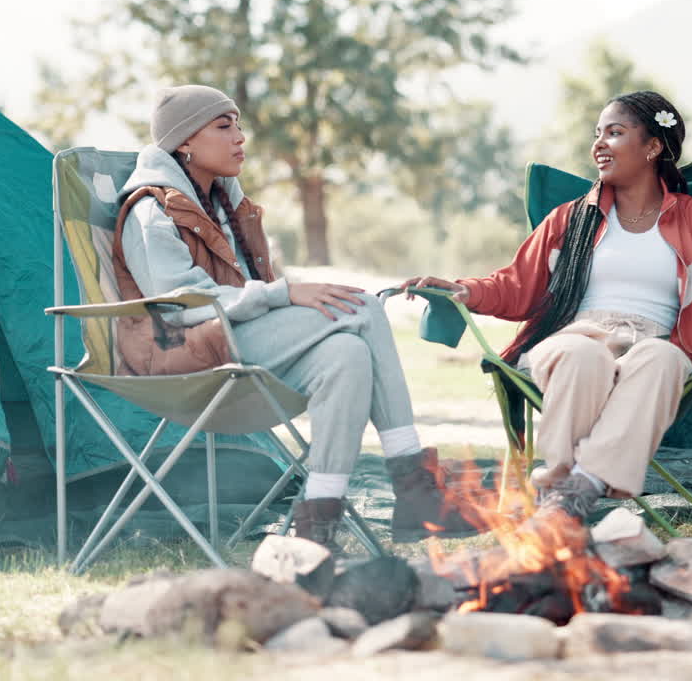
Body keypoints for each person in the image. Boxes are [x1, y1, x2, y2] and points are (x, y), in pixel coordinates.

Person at [112, 85, 478, 549]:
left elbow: (242, 289)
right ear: (184, 141)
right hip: (182, 353)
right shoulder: (151, 210)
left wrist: (279, 296)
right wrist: (283, 293)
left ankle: (316, 525)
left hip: (230, 340)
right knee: (363, 307)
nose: (239, 137)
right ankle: (415, 488)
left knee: (347, 355)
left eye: (239, 125)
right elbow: (177, 303)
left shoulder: (221, 202)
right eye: (223, 126)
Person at [402, 91, 692, 526]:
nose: (598, 144)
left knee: (661, 360)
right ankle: (569, 485)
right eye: (597, 134)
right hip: (574, 336)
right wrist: (464, 289)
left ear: (653, 146)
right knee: (583, 355)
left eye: (614, 133)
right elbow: (516, 286)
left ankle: (575, 491)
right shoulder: (571, 218)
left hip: (658, 341)